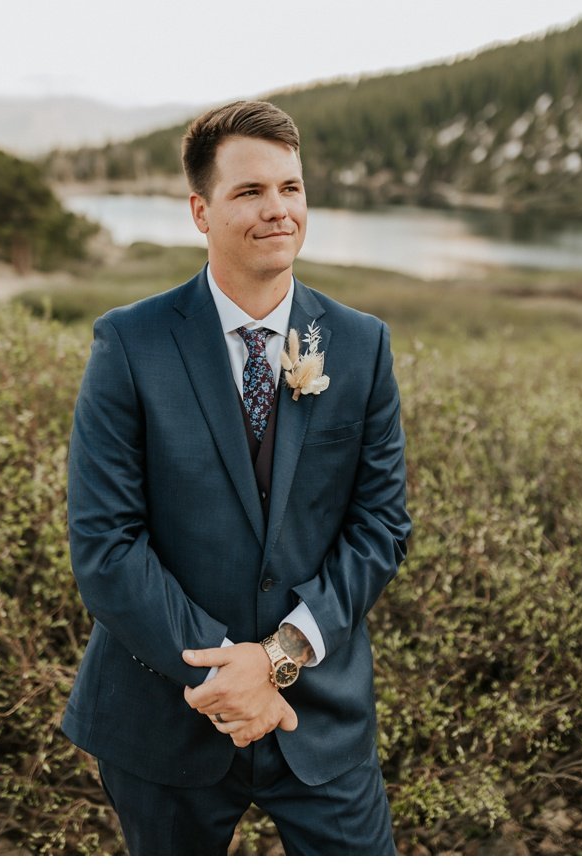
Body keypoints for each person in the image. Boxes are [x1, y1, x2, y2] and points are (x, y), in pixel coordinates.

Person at [61, 100, 411, 854]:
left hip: (319, 716)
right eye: (250, 192)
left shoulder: (360, 344)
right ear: (200, 210)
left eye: (291, 187)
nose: (277, 209)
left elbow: (381, 527)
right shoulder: (129, 343)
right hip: (165, 717)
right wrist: (230, 675)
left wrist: (277, 658)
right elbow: (105, 545)